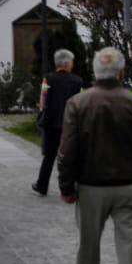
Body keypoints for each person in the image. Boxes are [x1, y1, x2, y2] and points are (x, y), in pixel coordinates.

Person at [57, 47, 132, 264]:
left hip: (90, 187)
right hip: (131, 186)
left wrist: (66, 187)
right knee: (131, 253)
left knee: (87, 247)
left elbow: (67, 151)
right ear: (121, 73)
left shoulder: (77, 103)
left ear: (95, 72)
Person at [32, 48, 83, 196]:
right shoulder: (77, 81)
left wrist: (41, 117)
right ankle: (70, 187)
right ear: (67, 64)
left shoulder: (48, 78)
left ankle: (42, 185)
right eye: (72, 62)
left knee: (49, 156)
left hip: (51, 123)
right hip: (71, 124)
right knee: (70, 157)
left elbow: (42, 102)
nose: (72, 64)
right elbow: (80, 103)